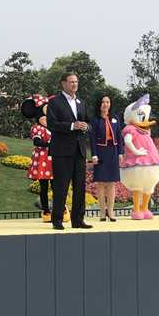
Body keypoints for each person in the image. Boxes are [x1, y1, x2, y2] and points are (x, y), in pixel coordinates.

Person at [46, 73, 93, 230]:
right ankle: (57, 220)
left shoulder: (81, 102)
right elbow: (51, 124)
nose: (74, 84)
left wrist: (86, 127)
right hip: (62, 151)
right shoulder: (54, 102)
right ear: (63, 83)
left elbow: (89, 123)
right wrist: (72, 126)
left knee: (80, 187)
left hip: (79, 151)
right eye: (71, 82)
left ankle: (78, 220)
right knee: (61, 187)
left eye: (76, 82)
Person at [90, 95, 124, 221]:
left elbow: (119, 136)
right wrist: (94, 154)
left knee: (111, 183)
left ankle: (110, 211)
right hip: (100, 152)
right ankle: (102, 212)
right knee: (101, 183)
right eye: (103, 102)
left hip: (113, 152)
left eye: (108, 102)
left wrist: (120, 152)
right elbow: (92, 139)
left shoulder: (115, 118)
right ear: (99, 104)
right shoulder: (95, 120)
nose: (105, 104)